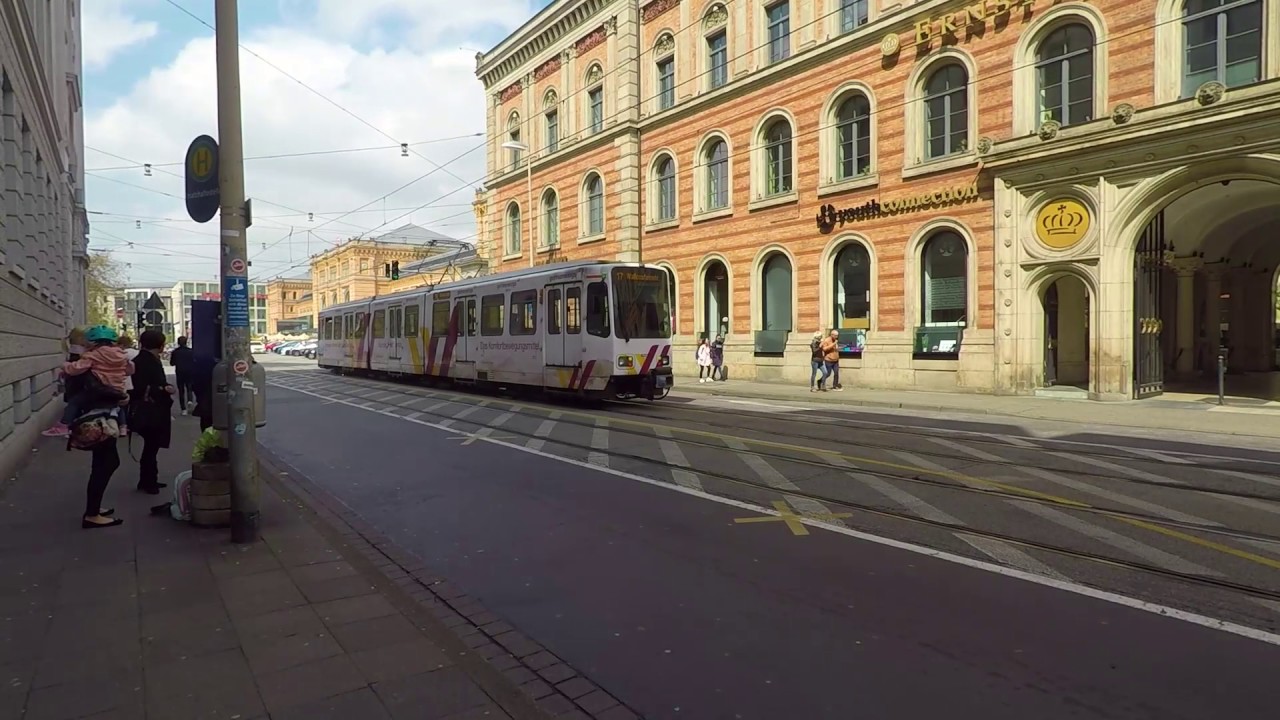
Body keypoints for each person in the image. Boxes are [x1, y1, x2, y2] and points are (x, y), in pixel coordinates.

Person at [62, 325, 134, 529]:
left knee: (101, 463)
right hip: (101, 415)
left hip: (99, 413)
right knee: (108, 463)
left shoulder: (88, 359)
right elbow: (126, 373)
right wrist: (121, 395)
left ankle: (94, 508)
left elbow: (77, 378)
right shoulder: (118, 355)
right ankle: (92, 514)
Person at [130, 329, 175, 495]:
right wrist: (165, 389)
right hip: (152, 410)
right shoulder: (149, 361)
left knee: (150, 447)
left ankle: (147, 479)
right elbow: (147, 386)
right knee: (151, 447)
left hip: (145, 408)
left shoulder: (140, 359)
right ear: (160, 345)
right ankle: (149, 482)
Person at [42, 326, 88, 437]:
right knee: (75, 403)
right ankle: (67, 425)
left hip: (72, 379)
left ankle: (69, 426)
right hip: (78, 379)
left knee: (74, 402)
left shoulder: (73, 348)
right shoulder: (80, 350)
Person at [170, 336, 195, 415]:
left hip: (180, 372)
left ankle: (183, 409)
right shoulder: (191, 351)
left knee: (181, 390)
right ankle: (190, 400)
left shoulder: (175, 352)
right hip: (190, 371)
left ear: (178, 342)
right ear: (186, 342)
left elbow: (172, 363)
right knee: (189, 387)